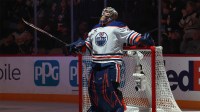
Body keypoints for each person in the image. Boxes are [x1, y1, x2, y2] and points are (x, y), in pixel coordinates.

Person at [70, 7, 154, 112]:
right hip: (95, 66)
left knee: (110, 92)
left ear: (112, 17)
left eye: (108, 13)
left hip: (111, 65)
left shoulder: (118, 26)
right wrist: (77, 47)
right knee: (94, 93)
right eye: (104, 13)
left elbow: (132, 37)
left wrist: (142, 39)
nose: (105, 14)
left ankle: (119, 109)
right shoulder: (94, 29)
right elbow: (86, 48)